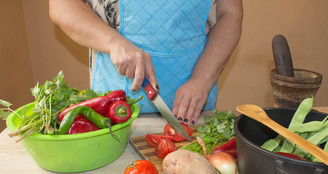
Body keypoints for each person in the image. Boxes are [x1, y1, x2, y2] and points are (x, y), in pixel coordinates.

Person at [49, 0, 243, 124]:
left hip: (194, 109)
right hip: (112, 105)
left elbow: (230, 13)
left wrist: (202, 79)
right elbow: (61, 5)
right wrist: (114, 42)